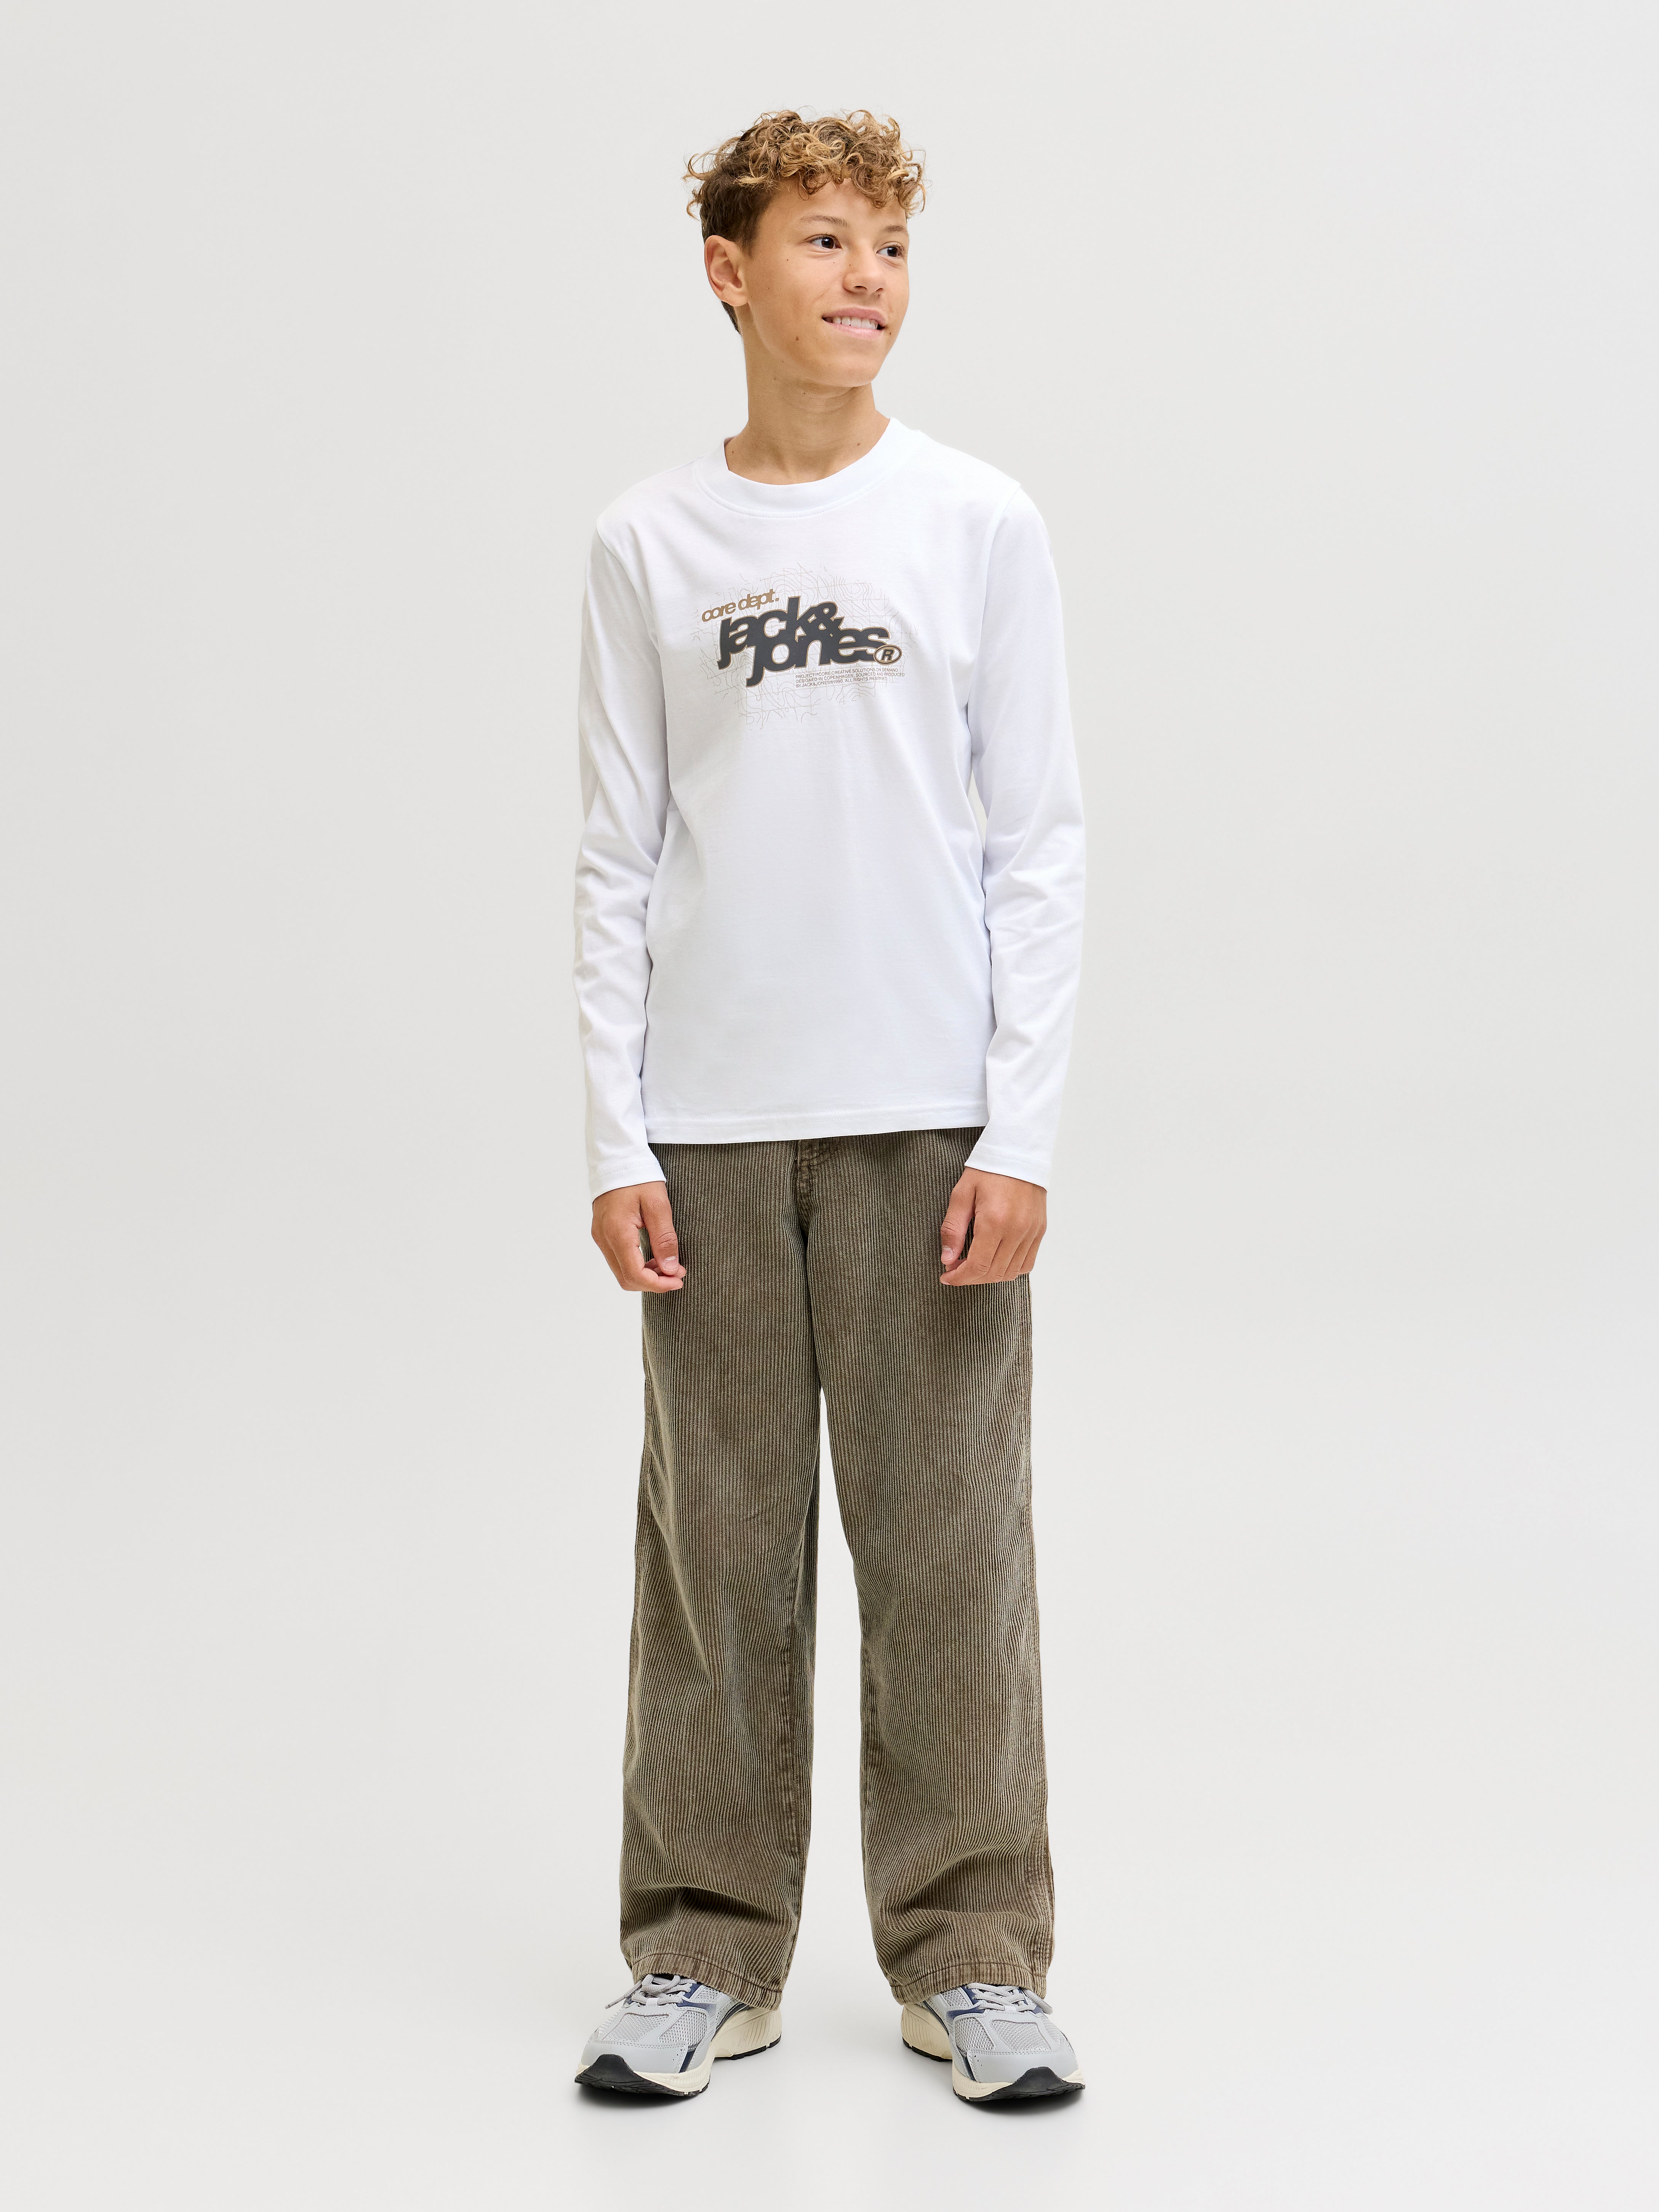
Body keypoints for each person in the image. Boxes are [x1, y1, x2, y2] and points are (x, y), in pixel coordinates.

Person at [571, 109, 1086, 2106]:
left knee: (948, 1556)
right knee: (719, 1560)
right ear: (730, 271)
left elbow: (1037, 842)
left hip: (926, 1120)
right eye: (822, 241)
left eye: (888, 246)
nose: (865, 278)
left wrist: (1018, 1131)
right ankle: (703, 1951)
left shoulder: (976, 522)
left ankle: (974, 1959)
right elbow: (615, 856)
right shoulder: (648, 543)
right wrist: (615, 1136)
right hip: (707, 1124)